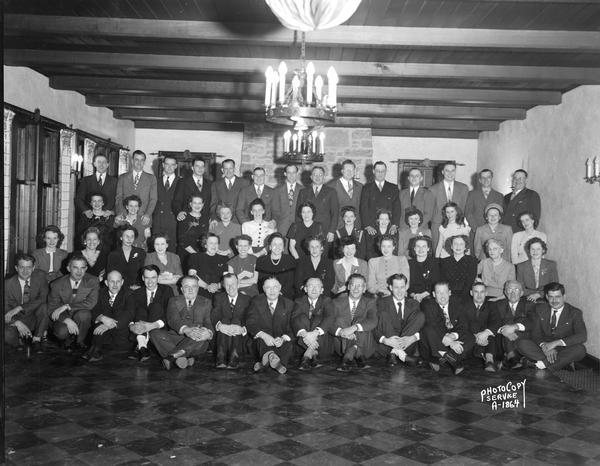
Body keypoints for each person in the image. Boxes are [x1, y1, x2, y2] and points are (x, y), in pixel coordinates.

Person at [517, 282, 587, 371]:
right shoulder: (539, 309)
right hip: (543, 346)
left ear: (564, 297)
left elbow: (582, 336)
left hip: (563, 347)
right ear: (546, 297)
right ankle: (561, 363)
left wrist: (555, 343)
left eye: (557, 297)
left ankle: (542, 365)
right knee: (521, 343)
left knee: (580, 349)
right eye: (551, 297)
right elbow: (536, 333)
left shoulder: (575, 313)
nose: (554, 301)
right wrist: (544, 346)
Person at [151, 276, 214, 370]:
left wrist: (208, 333)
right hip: (177, 337)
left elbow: (209, 322)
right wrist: (186, 329)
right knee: (154, 333)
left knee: (200, 337)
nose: (190, 289)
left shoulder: (206, 302)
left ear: (198, 288)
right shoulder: (173, 300)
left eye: (193, 286)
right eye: (186, 286)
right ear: (181, 289)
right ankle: (184, 357)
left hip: (196, 339)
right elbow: (173, 320)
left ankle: (172, 357)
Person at [419, 281, 474, 375]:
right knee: (428, 329)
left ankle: (445, 357)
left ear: (450, 293)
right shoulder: (427, 304)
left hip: (447, 339)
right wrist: (450, 342)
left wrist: (453, 336)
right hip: (436, 339)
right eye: (439, 293)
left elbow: (463, 324)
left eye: (445, 292)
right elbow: (433, 325)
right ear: (433, 294)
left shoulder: (457, 303)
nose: (442, 296)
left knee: (471, 337)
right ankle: (450, 358)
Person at [48, 254, 99, 351]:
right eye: (75, 267)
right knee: (62, 332)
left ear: (86, 268)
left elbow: (91, 303)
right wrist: (66, 320)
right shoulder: (56, 284)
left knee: (84, 315)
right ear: (68, 268)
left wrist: (67, 306)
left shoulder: (93, 281)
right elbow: (51, 308)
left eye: (82, 268)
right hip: (64, 316)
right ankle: (66, 340)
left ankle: (80, 341)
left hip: (81, 315)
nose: (79, 271)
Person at [246, 277, 295, 374]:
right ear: (263, 289)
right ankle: (276, 362)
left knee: (288, 344)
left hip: (280, 341)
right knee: (260, 341)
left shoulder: (289, 304)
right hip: (262, 342)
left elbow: (292, 326)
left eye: (275, 287)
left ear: (280, 288)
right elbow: (250, 323)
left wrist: (282, 339)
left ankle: (264, 363)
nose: (272, 291)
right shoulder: (256, 302)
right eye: (268, 287)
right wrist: (264, 336)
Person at [83, 270, 135, 362]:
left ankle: (95, 350)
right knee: (98, 325)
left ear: (122, 282)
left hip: (121, 337)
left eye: (118, 281)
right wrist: (102, 318)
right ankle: (95, 350)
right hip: (103, 337)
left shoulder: (129, 294)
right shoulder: (99, 293)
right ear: (106, 282)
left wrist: (108, 324)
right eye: (112, 281)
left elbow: (129, 313)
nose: (115, 285)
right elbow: (93, 309)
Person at [329, 273, 377, 372]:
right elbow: (329, 323)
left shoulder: (370, 302)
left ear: (364, 289)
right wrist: (341, 332)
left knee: (360, 321)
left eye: (359, 286)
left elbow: (373, 321)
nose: (356, 288)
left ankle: (348, 357)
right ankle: (356, 353)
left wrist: (354, 328)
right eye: (353, 285)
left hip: (365, 346)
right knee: (340, 320)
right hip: (341, 345)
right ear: (348, 287)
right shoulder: (336, 302)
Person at [375, 273, 424, 367]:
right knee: (383, 314)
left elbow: (422, 327)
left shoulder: (414, 303)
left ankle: (396, 352)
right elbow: (374, 327)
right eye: (396, 287)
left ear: (406, 287)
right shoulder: (381, 303)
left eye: (402, 287)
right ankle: (402, 355)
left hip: (407, 345)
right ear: (390, 287)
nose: (400, 291)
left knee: (420, 315)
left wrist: (413, 338)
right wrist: (385, 340)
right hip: (387, 345)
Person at [4, 253, 49, 355]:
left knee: (44, 306)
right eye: (22, 267)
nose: (25, 271)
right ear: (16, 268)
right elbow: (5, 309)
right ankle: (20, 341)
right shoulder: (7, 284)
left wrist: (20, 307)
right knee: (7, 336)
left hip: (34, 317)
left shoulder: (40, 277)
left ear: (33, 268)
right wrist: (17, 322)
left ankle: (37, 339)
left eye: (29, 267)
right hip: (16, 318)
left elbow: (43, 298)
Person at [129, 265, 174, 362]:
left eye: (153, 277)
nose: (150, 281)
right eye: (147, 278)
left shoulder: (167, 291)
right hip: (140, 326)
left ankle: (140, 345)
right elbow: (131, 313)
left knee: (155, 306)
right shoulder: (136, 293)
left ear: (158, 277)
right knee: (141, 310)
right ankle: (143, 346)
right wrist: (132, 325)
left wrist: (152, 325)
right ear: (142, 278)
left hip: (159, 328)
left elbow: (170, 314)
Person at [292, 277, 334, 369]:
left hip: (322, 342)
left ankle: (307, 355)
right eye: (311, 286)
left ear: (322, 290)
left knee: (318, 318)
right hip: (303, 342)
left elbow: (329, 318)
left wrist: (315, 333)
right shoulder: (299, 301)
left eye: (317, 286)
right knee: (301, 317)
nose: (314, 289)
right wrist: (305, 335)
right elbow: (295, 319)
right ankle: (313, 353)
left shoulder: (327, 301)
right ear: (305, 289)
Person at [211, 273, 251, 369]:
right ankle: (221, 357)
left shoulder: (247, 299)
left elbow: (250, 318)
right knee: (224, 320)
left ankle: (234, 357)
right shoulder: (218, 297)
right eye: (227, 284)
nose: (231, 287)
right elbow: (215, 314)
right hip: (222, 338)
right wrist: (220, 326)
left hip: (239, 340)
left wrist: (242, 329)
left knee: (236, 321)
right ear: (223, 285)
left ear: (238, 284)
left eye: (233, 284)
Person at [297, 166, 339, 248]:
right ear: (311, 177)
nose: (317, 177)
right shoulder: (303, 192)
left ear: (324, 177)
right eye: (315, 175)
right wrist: (299, 230)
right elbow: (298, 213)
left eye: (320, 175)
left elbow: (335, 213)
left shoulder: (331, 192)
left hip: (325, 230)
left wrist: (331, 231)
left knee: (323, 254)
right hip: (307, 229)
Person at [429, 161, 469, 248]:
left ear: (455, 171)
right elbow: (430, 211)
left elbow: (465, 208)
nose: (450, 173)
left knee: (457, 252)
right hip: (438, 226)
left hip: (457, 226)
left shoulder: (463, 188)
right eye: (447, 170)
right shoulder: (433, 189)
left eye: (453, 170)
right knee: (438, 254)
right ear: (442, 172)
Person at [466, 282, 502, 371]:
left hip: (487, 340)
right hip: (470, 339)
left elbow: (496, 321)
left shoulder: (492, 305)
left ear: (486, 293)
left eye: (482, 292)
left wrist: (485, 333)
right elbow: (462, 324)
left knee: (491, 333)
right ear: (471, 293)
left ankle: (489, 361)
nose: (479, 295)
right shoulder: (464, 306)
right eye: (476, 292)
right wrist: (475, 337)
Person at [360, 161, 400, 241]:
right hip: (372, 228)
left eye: (383, 171)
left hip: (389, 228)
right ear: (374, 171)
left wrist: (394, 225)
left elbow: (397, 207)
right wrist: (367, 226)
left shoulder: (393, 188)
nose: (380, 173)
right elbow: (363, 208)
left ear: (386, 172)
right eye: (378, 171)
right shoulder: (366, 188)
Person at [115, 150, 157, 225]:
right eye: (136, 159)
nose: (139, 162)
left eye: (142, 160)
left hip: (143, 218)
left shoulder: (151, 178)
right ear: (132, 161)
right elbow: (119, 197)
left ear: (144, 162)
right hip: (125, 218)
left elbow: (153, 199)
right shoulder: (122, 177)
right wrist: (121, 213)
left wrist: (147, 214)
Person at [495, 280, 530, 369]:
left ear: (522, 293)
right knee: (507, 327)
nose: (513, 293)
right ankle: (512, 358)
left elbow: (532, 322)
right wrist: (503, 330)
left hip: (523, 338)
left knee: (510, 326)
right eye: (510, 290)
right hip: (502, 340)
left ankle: (510, 358)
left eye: (517, 290)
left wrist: (514, 327)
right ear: (505, 292)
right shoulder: (497, 305)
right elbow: (493, 322)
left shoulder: (529, 305)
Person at [74, 153, 118, 218]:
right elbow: (79, 199)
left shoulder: (115, 181)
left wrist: (112, 211)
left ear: (108, 164)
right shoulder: (85, 180)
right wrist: (86, 211)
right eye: (99, 162)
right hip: (89, 218)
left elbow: (119, 199)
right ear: (94, 164)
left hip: (108, 218)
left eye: (104, 162)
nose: (101, 165)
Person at [516, 238, 559, 303]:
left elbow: (554, 286)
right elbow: (520, 288)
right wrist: (531, 294)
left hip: (546, 297)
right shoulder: (521, 266)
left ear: (543, 250)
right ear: (529, 251)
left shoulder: (551, 265)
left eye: (538, 249)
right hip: (527, 297)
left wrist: (539, 294)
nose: (535, 252)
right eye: (532, 249)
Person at [188, 233, 229, 299]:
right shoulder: (195, 257)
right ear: (205, 245)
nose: (214, 246)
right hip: (200, 291)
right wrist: (207, 286)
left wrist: (218, 286)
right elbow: (192, 275)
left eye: (216, 243)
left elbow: (227, 278)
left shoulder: (224, 259)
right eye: (211, 243)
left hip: (219, 291)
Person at [256, 233, 297, 300]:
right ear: (270, 247)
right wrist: (270, 294)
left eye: (280, 244)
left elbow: (290, 282)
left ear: (283, 248)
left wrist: (279, 293)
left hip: (285, 295)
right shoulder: (261, 261)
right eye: (274, 244)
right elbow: (261, 282)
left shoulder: (290, 260)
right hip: (267, 295)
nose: (277, 247)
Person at [439, 234, 478, 302]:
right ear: (451, 246)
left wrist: (461, 297)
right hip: (448, 295)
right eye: (455, 244)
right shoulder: (444, 262)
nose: (458, 246)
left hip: (466, 295)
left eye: (461, 244)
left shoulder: (472, 261)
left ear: (465, 246)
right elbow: (443, 281)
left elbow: (470, 281)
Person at [172, 157, 212, 221]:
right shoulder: (183, 182)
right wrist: (179, 212)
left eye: (202, 166)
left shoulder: (210, 184)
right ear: (192, 168)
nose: (200, 168)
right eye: (197, 166)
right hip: (187, 219)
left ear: (204, 168)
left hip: (205, 220)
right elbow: (176, 201)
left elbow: (211, 203)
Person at [464, 169, 504, 233]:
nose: (486, 180)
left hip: (493, 231)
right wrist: (476, 229)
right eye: (483, 178)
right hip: (476, 231)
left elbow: (501, 215)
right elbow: (468, 213)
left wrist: (495, 229)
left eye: (488, 177)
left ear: (491, 178)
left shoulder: (499, 196)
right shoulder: (472, 194)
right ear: (480, 180)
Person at [107, 225, 146, 290]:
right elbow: (110, 275)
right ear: (121, 237)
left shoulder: (141, 253)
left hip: (137, 288)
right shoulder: (113, 255)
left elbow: (143, 273)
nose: (129, 239)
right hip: (119, 288)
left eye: (132, 236)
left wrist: (138, 286)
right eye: (126, 236)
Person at [153, 155, 180, 252]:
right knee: (157, 250)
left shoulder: (181, 182)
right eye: (167, 164)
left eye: (172, 165)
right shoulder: (155, 181)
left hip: (174, 222)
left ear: (176, 166)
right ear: (163, 165)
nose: (169, 167)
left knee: (172, 250)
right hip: (158, 222)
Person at [327, 159, 363, 229]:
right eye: (347, 170)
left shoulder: (360, 187)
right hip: (338, 227)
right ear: (342, 171)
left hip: (356, 227)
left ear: (355, 171)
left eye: (352, 170)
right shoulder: (331, 186)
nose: (349, 172)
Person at [272, 163, 302, 240]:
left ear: (297, 173)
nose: (291, 175)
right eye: (289, 172)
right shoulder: (277, 190)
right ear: (285, 174)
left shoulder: (303, 190)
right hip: (282, 229)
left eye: (294, 172)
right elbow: (275, 211)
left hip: (298, 229)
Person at [176, 195, 208, 266]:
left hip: (202, 253)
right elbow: (182, 241)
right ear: (190, 204)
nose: (197, 205)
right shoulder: (184, 217)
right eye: (195, 203)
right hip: (186, 254)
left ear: (203, 205)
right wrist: (195, 254)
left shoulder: (206, 219)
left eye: (199, 203)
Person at [407, 236, 440, 303]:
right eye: (418, 246)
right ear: (414, 248)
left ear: (428, 248)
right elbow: (407, 284)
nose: (421, 249)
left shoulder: (435, 262)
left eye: (424, 246)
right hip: (412, 297)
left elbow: (436, 283)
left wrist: (422, 295)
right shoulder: (408, 263)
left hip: (429, 297)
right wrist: (414, 295)